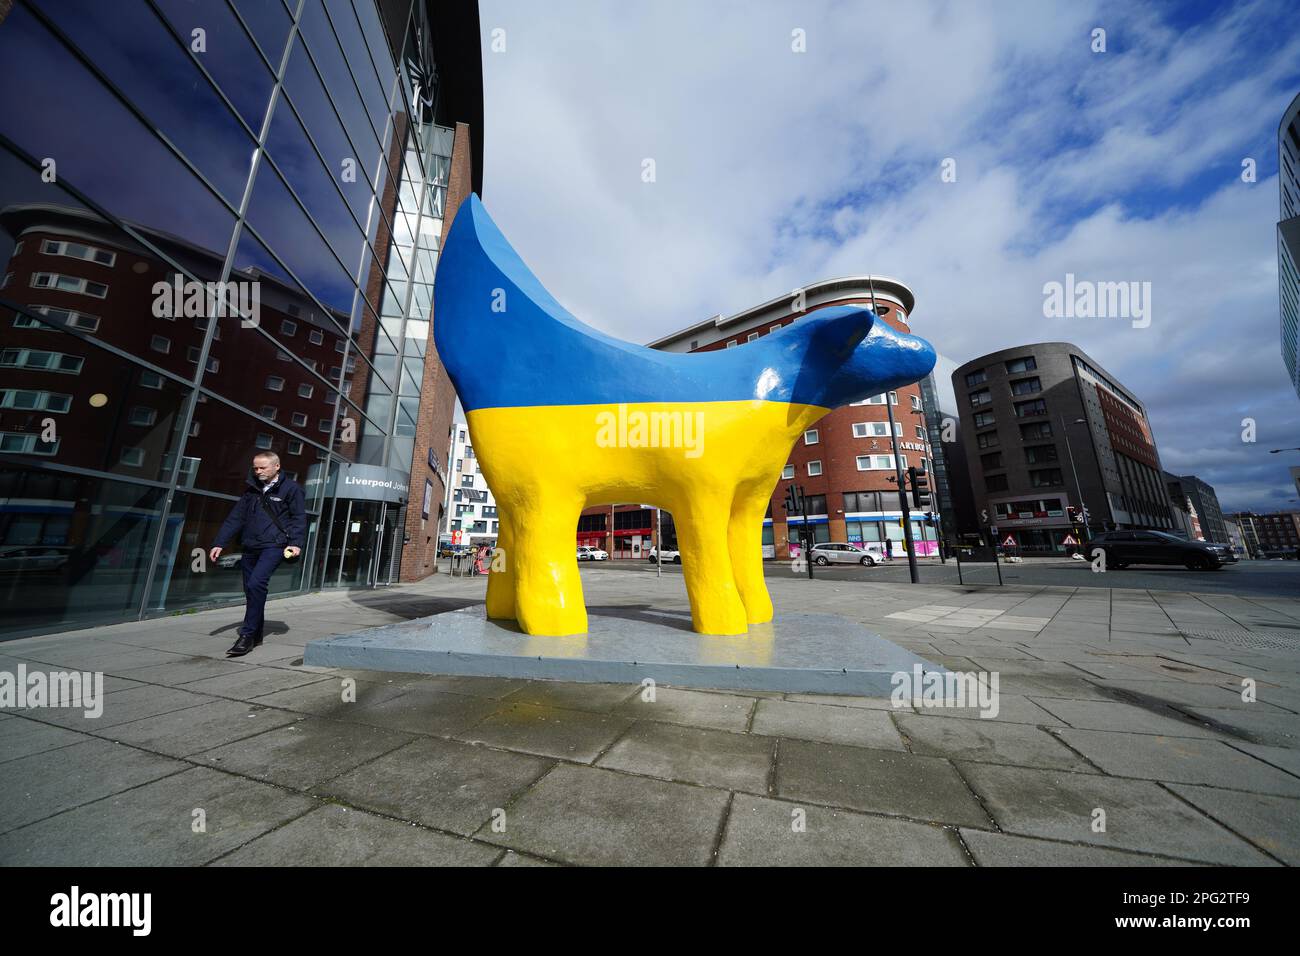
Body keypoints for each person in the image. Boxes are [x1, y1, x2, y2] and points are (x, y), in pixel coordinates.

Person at [209, 451, 306, 657]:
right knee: (250, 590)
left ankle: (247, 635)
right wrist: (219, 543)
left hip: (274, 545)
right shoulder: (251, 490)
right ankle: (257, 633)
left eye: (262, 467)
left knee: (256, 584)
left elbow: (298, 518)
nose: (258, 471)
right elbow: (235, 518)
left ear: (276, 466)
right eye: (255, 468)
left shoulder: (291, 489)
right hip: (250, 546)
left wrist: (296, 543)